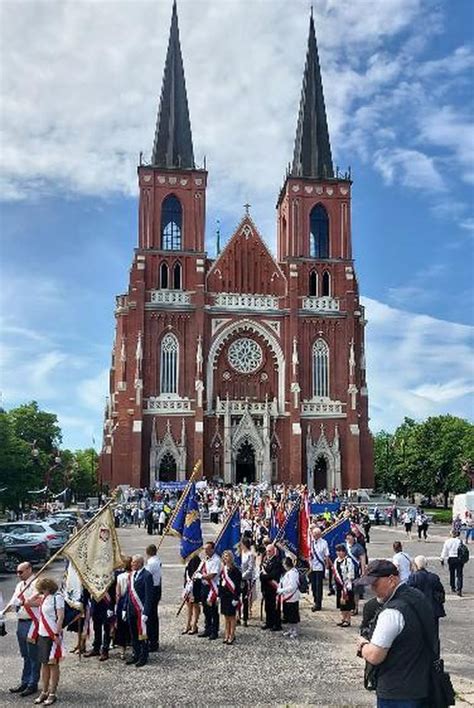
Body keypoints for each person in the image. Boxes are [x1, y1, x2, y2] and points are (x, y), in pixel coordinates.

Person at [356, 559, 436, 708]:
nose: (372, 589)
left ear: (392, 580)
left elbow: (375, 656)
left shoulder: (392, 612)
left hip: (396, 690)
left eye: (375, 584)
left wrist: (363, 645)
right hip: (422, 683)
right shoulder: (417, 596)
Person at [1, 562, 41, 697]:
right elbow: (13, 602)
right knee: (25, 655)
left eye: (21, 572)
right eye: (17, 572)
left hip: (33, 623)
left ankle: (32, 684)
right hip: (21, 622)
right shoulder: (19, 585)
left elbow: (41, 602)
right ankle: (25, 681)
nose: (18, 575)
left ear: (29, 570)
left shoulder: (37, 583)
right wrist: (3, 612)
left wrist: (24, 602)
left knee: (33, 655)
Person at [35, 577, 65, 706]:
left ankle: (53, 693)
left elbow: (60, 617)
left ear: (48, 588)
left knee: (53, 664)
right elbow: (28, 602)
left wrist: (57, 634)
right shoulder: (44, 598)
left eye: (42, 589)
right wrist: (38, 593)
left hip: (53, 634)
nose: (41, 592)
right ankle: (44, 691)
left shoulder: (57, 598)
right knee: (44, 664)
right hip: (42, 634)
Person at [407, 555, 446, 654]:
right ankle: (435, 658)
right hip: (433, 610)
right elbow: (441, 593)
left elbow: (407, 594)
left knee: (418, 635)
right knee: (434, 636)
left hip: (418, 611)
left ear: (415, 565)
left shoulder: (413, 577)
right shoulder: (434, 577)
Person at [125, 554, 153, 667]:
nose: (132, 564)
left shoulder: (147, 575)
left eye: (134, 562)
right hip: (131, 609)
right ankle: (135, 654)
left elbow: (149, 596)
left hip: (141, 610)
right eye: (132, 562)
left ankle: (143, 656)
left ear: (140, 563)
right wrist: (124, 609)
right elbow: (129, 594)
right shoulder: (131, 575)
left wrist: (146, 612)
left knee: (143, 635)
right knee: (133, 634)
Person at [83, 578, 116, 661]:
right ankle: (96, 648)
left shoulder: (110, 576)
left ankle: (105, 650)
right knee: (96, 627)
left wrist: (111, 607)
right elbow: (87, 590)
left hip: (106, 604)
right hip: (95, 603)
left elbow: (113, 593)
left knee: (106, 628)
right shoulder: (93, 576)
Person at [197, 541, 222, 640]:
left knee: (213, 610)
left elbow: (212, 575)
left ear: (212, 549)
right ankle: (207, 628)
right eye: (204, 549)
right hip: (204, 587)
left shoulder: (216, 560)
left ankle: (214, 631)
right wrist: (199, 575)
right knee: (205, 609)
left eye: (207, 549)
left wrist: (201, 576)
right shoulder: (205, 559)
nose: (205, 551)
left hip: (213, 588)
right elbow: (198, 571)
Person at [219, 550, 242, 644]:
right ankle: (226, 634)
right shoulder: (223, 569)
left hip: (232, 596)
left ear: (231, 558)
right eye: (224, 556)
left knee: (232, 617)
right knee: (226, 616)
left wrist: (236, 598)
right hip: (224, 596)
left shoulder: (235, 570)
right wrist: (219, 595)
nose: (225, 558)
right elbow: (220, 583)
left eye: (227, 556)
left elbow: (237, 585)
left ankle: (232, 635)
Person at [260, 544, 284, 631]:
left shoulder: (277, 561)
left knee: (275, 607)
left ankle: (276, 624)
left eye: (269, 551)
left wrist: (264, 577)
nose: (267, 553)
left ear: (274, 551)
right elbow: (261, 574)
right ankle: (269, 622)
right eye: (267, 551)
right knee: (267, 607)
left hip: (273, 588)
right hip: (266, 588)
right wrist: (264, 577)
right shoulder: (266, 560)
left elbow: (273, 575)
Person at [277, 556, 300, 639]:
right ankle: (290, 629)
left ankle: (295, 631)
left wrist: (282, 590)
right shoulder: (288, 572)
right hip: (286, 597)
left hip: (292, 597)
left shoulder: (293, 573)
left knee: (293, 615)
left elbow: (292, 586)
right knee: (288, 615)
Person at [333, 544, 355, 627]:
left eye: (341, 551)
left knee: (347, 603)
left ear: (344, 552)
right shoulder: (336, 561)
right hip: (339, 584)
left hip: (346, 585)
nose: (339, 553)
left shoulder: (348, 560)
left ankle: (348, 620)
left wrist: (347, 581)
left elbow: (351, 573)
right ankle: (343, 618)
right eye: (337, 551)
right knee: (341, 603)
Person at [145, 543, 162, 652]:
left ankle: (152, 641)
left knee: (151, 617)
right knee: (152, 617)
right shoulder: (157, 560)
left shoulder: (152, 563)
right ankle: (152, 640)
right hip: (156, 588)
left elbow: (145, 575)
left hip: (152, 589)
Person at [114, 557, 132, 660]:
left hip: (122, 603)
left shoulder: (120, 577)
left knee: (121, 626)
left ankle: (122, 651)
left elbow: (118, 593)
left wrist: (117, 606)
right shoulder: (134, 575)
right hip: (132, 602)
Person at [309, 526, 329, 612]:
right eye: (314, 534)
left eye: (317, 534)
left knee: (318, 586)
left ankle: (318, 604)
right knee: (313, 586)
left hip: (319, 567)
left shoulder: (324, 543)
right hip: (311, 567)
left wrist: (327, 567)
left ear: (320, 535)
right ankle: (315, 600)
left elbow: (326, 555)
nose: (315, 536)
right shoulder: (310, 542)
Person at [345, 531, 366, 615]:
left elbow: (362, 560)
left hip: (356, 572)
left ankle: (355, 607)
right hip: (346, 572)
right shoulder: (344, 546)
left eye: (350, 537)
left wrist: (363, 571)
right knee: (347, 590)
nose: (348, 539)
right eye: (347, 537)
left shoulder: (358, 547)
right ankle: (349, 606)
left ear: (354, 538)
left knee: (355, 591)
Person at [181, 553, 202, 635]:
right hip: (188, 586)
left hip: (195, 587)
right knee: (188, 605)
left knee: (195, 605)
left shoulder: (196, 558)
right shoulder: (187, 558)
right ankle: (188, 624)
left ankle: (194, 625)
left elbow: (196, 574)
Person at [440, 530, 464, 596]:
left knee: (452, 573)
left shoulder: (447, 541)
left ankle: (453, 586)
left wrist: (442, 558)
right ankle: (459, 589)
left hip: (451, 558)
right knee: (459, 574)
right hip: (459, 558)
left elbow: (444, 551)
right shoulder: (460, 541)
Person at [240, 537, 256, 626]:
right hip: (238, 578)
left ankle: (245, 618)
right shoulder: (240, 553)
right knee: (237, 598)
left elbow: (250, 568)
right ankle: (238, 616)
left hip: (246, 579)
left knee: (245, 599)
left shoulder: (250, 555)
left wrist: (242, 576)